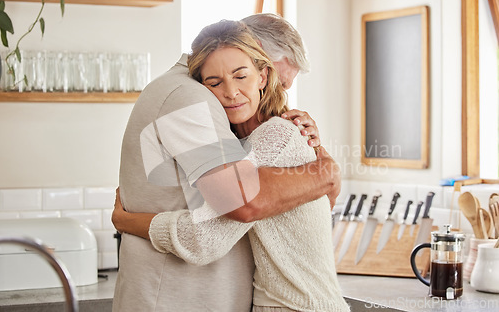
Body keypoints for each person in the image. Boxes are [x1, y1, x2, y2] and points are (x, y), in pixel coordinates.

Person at [113, 20, 349, 312]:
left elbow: (205, 237)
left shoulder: (275, 135)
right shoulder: (246, 137)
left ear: (261, 75)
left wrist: (127, 221)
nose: (232, 92)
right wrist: (325, 174)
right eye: (215, 82)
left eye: (242, 76)